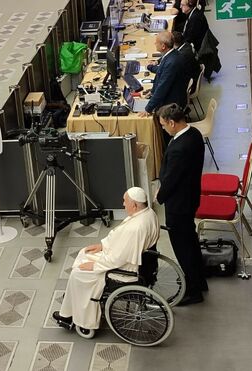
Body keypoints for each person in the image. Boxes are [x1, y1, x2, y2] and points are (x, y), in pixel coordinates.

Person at [53, 187, 160, 330]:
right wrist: (103, 245)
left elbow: (119, 259)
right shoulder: (148, 213)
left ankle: (80, 319)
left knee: (78, 273)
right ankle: (75, 298)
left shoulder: (135, 228)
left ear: (134, 205)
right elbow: (121, 241)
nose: (123, 204)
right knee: (84, 253)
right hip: (139, 261)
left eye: (125, 201)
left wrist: (96, 266)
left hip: (123, 270)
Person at [155, 104, 206, 305]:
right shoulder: (193, 133)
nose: (163, 129)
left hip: (179, 204)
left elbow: (172, 179)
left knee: (183, 247)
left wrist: (159, 197)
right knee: (191, 241)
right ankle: (198, 279)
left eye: (163, 125)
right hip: (190, 197)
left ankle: (193, 290)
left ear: (172, 122)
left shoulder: (179, 148)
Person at [138, 31, 189, 118]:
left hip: (171, 104)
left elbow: (162, 87)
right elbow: (161, 73)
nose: (155, 43)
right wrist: (152, 91)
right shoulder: (171, 55)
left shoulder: (171, 62)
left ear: (163, 46)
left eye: (156, 42)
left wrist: (148, 109)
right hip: (172, 95)